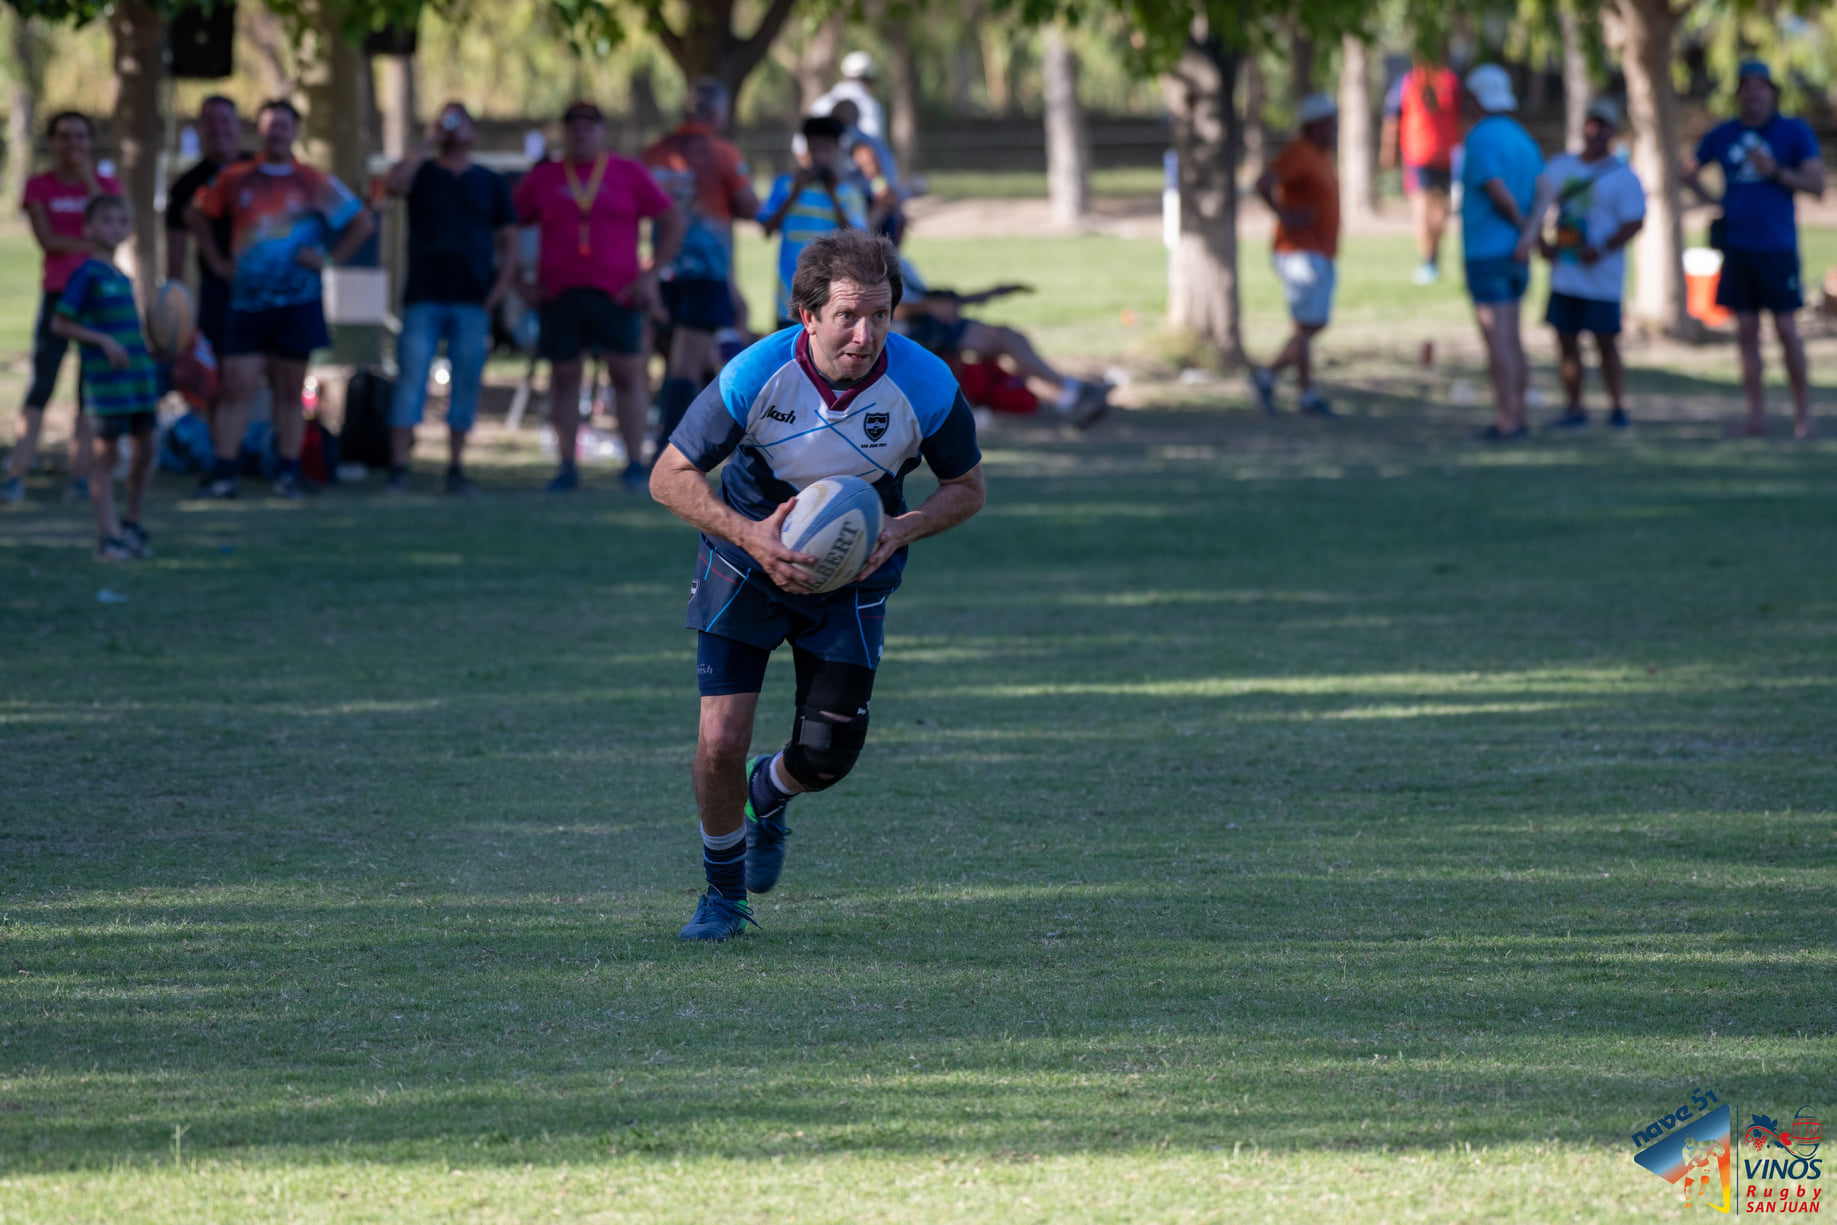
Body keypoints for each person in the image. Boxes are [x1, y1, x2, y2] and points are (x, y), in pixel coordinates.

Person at [648, 229, 985, 941]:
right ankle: (723, 897)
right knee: (719, 740)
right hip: (745, 564)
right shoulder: (756, 372)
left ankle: (767, 792)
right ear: (806, 315)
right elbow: (668, 476)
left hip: (853, 574)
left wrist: (902, 527)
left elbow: (966, 488)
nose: (866, 335)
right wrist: (750, 536)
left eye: (881, 315)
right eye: (847, 316)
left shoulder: (925, 384)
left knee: (828, 757)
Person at [190, 99, 374, 499]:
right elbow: (197, 213)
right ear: (259, 130)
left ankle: (289, 471)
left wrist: (329, 260)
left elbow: (362, 222)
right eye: (270, 125)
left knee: (290, 389)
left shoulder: (313, 181)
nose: (276, 133)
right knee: (236, 385)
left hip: (297, 301)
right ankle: (225, 472)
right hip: (247, 302)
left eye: (284, 126)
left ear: (295, 132)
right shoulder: (237, 177)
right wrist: (216, 261)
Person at [513, 100, 684, 492]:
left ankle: (635, 464)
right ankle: (567, 466)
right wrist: (518, 280)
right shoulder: (546, 177)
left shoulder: (628, 172)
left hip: (619, 293)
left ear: (602, 132)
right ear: (565, 132)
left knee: (627, 374)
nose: (581, 132)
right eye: (573, 126)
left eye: (589, 125)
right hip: (559, 294)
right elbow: (506, 223)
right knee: (564, 377)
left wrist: (650, 275)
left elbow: (672, 219)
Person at [1684, 60, 1826, 439]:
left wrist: (1775, 171)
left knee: (1786, 329)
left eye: (1760, 86)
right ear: (1738, 94)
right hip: (1736, 245)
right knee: (1746, 331)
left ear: (1772, 92)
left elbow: (1816, 185)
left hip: (1776, 246)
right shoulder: (1723, 134)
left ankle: (1803, 416)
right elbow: (1689, 170)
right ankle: (1755, 417)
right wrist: (1713, 201)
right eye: (1746, 87)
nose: (1753, 94)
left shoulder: (1793, 131)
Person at [383, 102, 517, 495]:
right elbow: (392, 186)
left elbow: (509, 240)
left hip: (472, 299)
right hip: (423, 296)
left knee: (466, 382)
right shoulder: (422, 173)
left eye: (461, 121)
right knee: (411, 379)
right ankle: (398, 467)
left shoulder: (489, 181)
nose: (454, 128)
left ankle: (455, 468)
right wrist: (427, 142)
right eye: (447, 120)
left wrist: (499, 289)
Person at [3, 111, 119, 505]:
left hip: (99, 298)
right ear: (52, 141)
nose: (73, 144)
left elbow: (114, 226)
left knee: (90, 390)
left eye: (81, 136)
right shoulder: (39, 186)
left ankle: (80, 476)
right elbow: (49, 240)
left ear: (91, 141)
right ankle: (16, 474)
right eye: (65, 136)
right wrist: (93, 243)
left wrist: (89, 180)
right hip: (59, 294)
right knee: (42, 383)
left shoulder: (104, 185)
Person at [1515, 99, 1645, 430]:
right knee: (1566, 340)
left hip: (1603, 277)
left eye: (1603, 126)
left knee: (1606, 342)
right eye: (1591, 124)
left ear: (1614, 131)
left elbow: (1634, 221)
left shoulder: (1623, 177)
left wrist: (1601, 249)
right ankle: (1574, 408)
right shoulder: (1560, 167)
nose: (1596, 132)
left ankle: (1617, 406)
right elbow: (1537, 206)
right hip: (1566, 274)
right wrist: (1542, 244)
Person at [643, 80, 758, 448]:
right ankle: (672, 446)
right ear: (715, 112)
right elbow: (749, 206)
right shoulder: (722, 152)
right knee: (687, 363)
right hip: (706, 271)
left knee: (667, 357)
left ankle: (662, 441)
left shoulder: (655, 152)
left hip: (661, 270)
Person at [49, 196, 159, 560]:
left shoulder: (123, 277)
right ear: (89, 228)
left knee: (148, 448)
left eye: (122, 221)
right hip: (107, 385)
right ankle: (108, 537)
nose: (116, 227)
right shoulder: (87, 274)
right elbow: (60, 323)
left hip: (139, 380)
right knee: (106, 456)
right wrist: (103, 340)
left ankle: (132, 523)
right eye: (107, 220)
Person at [894, 265, 1108, 426]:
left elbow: (936, 301)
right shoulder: (882, 265)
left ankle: (1068, 396)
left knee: (1012, 341)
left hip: (935, 325)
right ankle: (1073, 393)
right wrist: (928, 307)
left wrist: (990, 293)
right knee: (1006, 339)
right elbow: (892, 309)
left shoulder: (902, 261)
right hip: (911, 333)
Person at [1460, 64, 1543, 441]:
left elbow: (1498, 191)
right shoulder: (1523, 138)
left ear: (1477, 99)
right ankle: (1518, 415)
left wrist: (1521, 227)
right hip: (1517, 256)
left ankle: (1507, 420)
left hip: (1487, 252)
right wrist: (1530, 235)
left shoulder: (1480, 138)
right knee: (1513, 338)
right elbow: (1543, 191)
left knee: (1498, 340)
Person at [1249, 92, 1341, 418]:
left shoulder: (1320, 155)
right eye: (1329, 123)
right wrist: (1284, 215)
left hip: (1319, 249)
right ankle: (1292, 388)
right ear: (1314, 126)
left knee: (1309, 326)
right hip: (1299, 251)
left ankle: (1283, 383)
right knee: (1307, 326)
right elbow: (1264, 183)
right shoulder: (1299, 153)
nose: (1335, 129)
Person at [759, 115, 867, 331]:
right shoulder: (784, 185)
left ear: (837, 150)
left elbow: (857, 240)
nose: (819, 156)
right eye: (814, 149)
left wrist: (833, 196)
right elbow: (767, 229)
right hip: (788, 295)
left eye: (826, 149)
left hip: (832, 296)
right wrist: (794, 193)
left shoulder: (848, 193)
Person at [164, 95, 248, 367]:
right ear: (201, 128)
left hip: (267, 283)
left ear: (237, 125)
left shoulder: (259, 169)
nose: (218, 129)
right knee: (219, 366)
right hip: (217, 289)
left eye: (224, 120)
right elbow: (176, 251)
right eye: (210, 122)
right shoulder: (187, 185)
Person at [1381, 55, 1462, 285]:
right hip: (1444, 153)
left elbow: (1391, 119)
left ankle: (1429, 262)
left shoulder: (1408, 80)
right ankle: (1433, 260)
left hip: (1419, 153)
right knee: (1438, 210)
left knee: (1423, 209)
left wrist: (1388, 152)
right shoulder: (1451, 80)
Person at [829, 98, 907, 245]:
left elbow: (866, 157)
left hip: (862, 202)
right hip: (868, 202)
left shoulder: (848, 136)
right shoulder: (873, 139)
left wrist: (881, 190)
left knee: (858, 242)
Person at [810, 51, 886, 143]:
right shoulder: (871, 106)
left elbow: (801, 144)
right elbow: (874, 141)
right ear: (870, 80)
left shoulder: (821, 102)